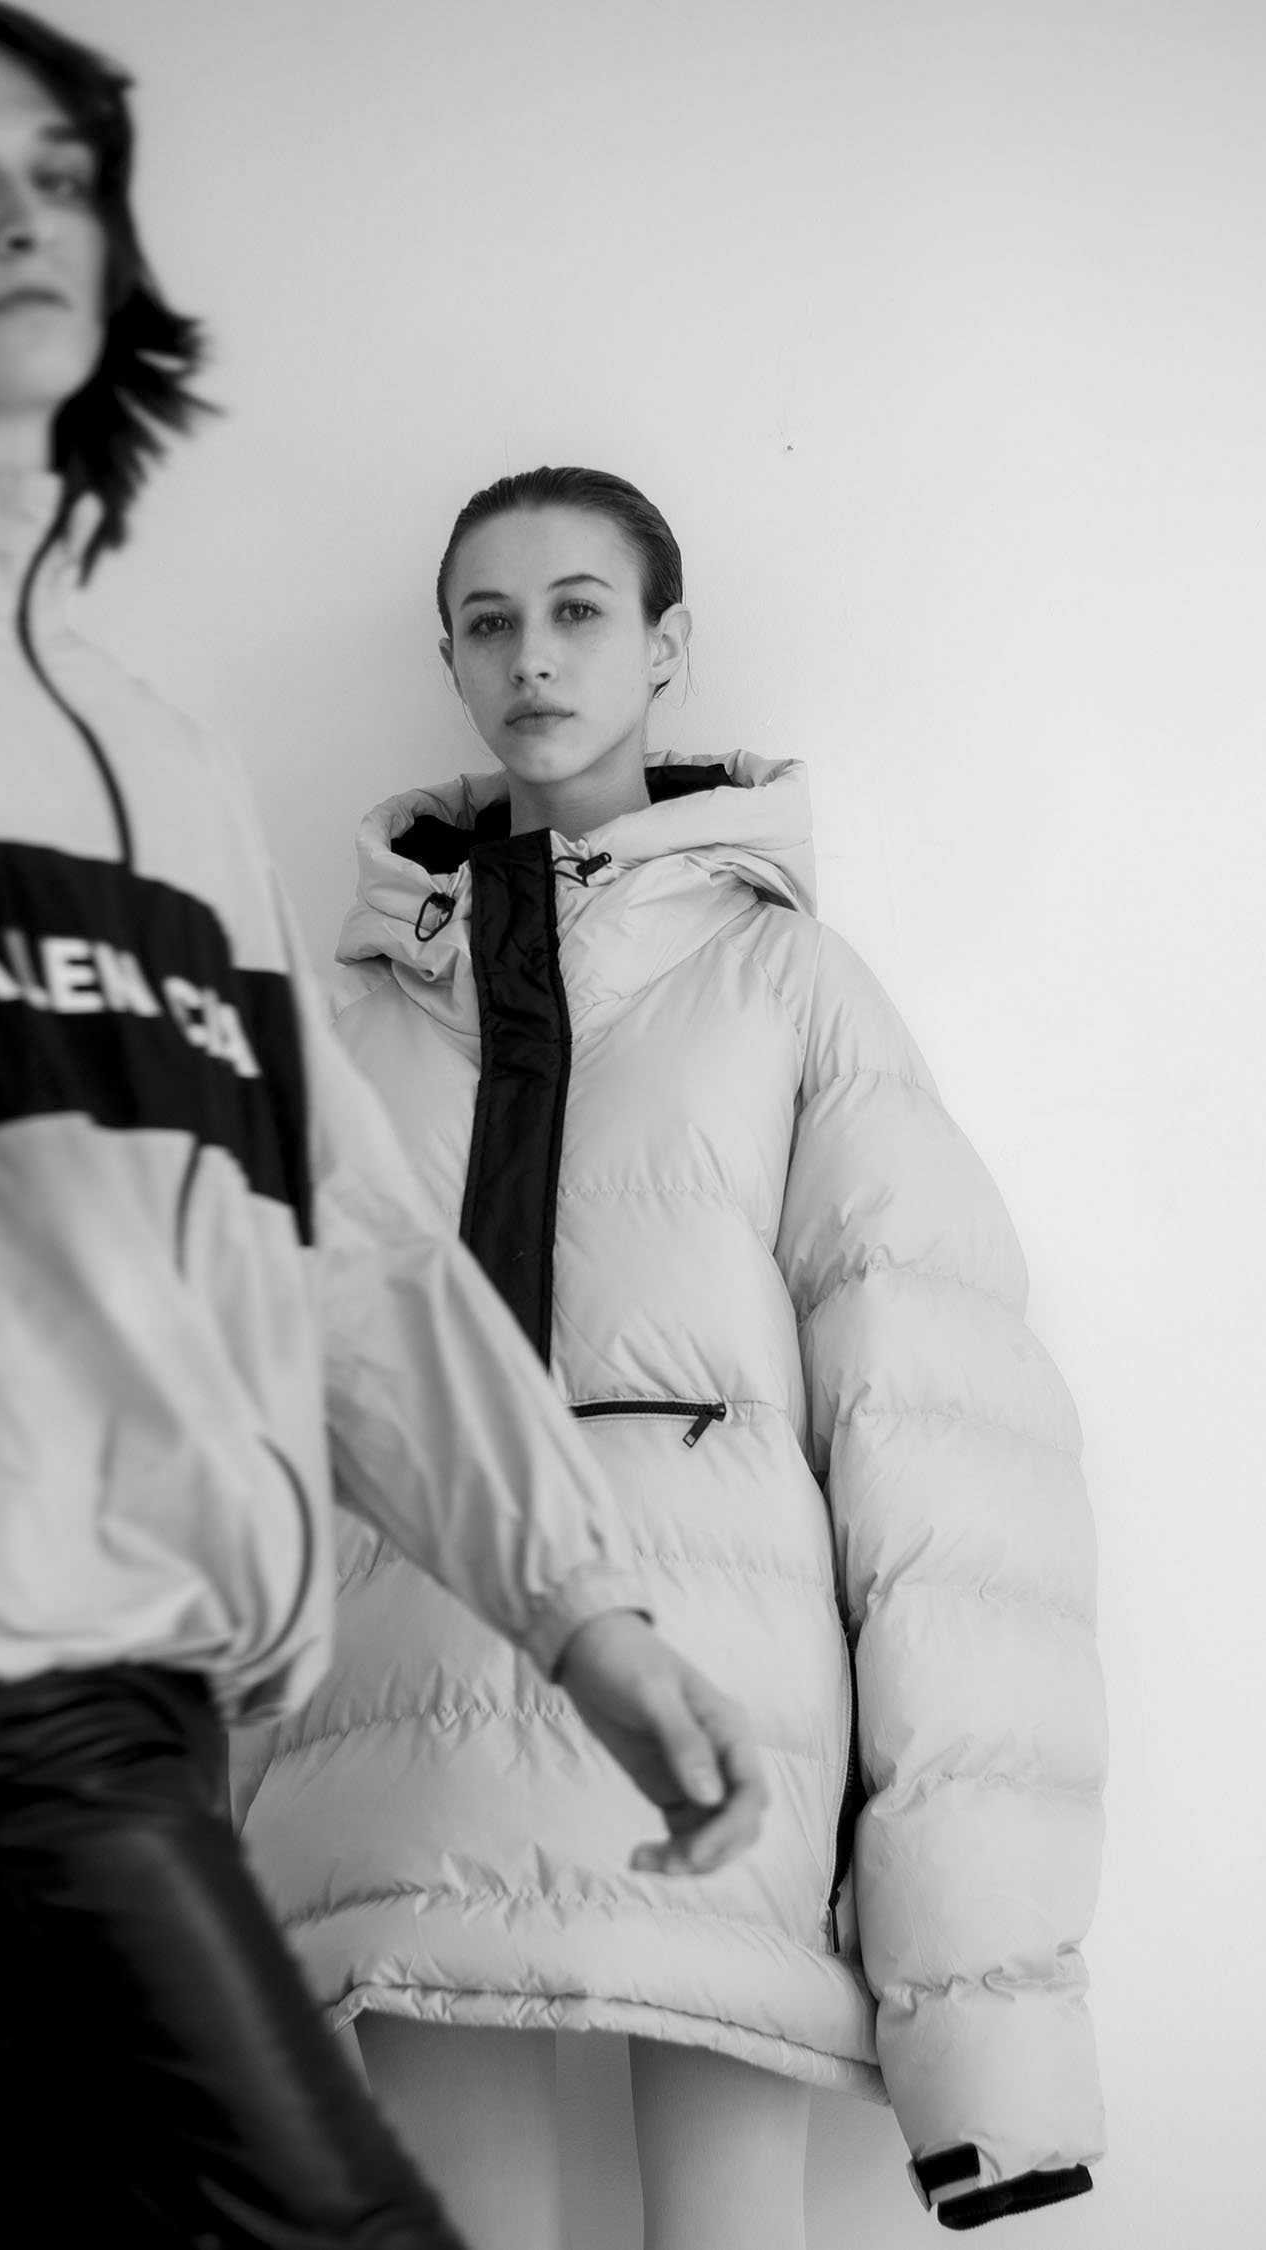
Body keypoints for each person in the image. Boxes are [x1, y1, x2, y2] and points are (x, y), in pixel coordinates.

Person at [0, 16, 767, 2246]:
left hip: (175, 1684)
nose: (18, 213)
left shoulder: (168, 764)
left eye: (60, 173)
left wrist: (586, 1617)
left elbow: (352, 1251)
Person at [240, 466, 1108, 2248]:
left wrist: (987, 2001)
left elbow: (939, 1447)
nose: (532, 658)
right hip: (399, 1716)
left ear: (665, 646)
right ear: (449, 660)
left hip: (722, 1707)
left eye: (578, 611)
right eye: (489, 622)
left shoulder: (788, 985)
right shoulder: (345, 1020)